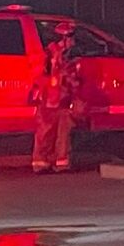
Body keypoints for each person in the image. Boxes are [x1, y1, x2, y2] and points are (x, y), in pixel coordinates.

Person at [28, 22, 81, 173]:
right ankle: (42, 162)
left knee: (62, 132)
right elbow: (46, 77)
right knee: (47, 131)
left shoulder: (65, 55)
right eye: (70, 37)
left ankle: (59, 162)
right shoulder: (51, 54)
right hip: (51, 98)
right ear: (63, 38)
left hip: (61, 99)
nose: (73, 41)